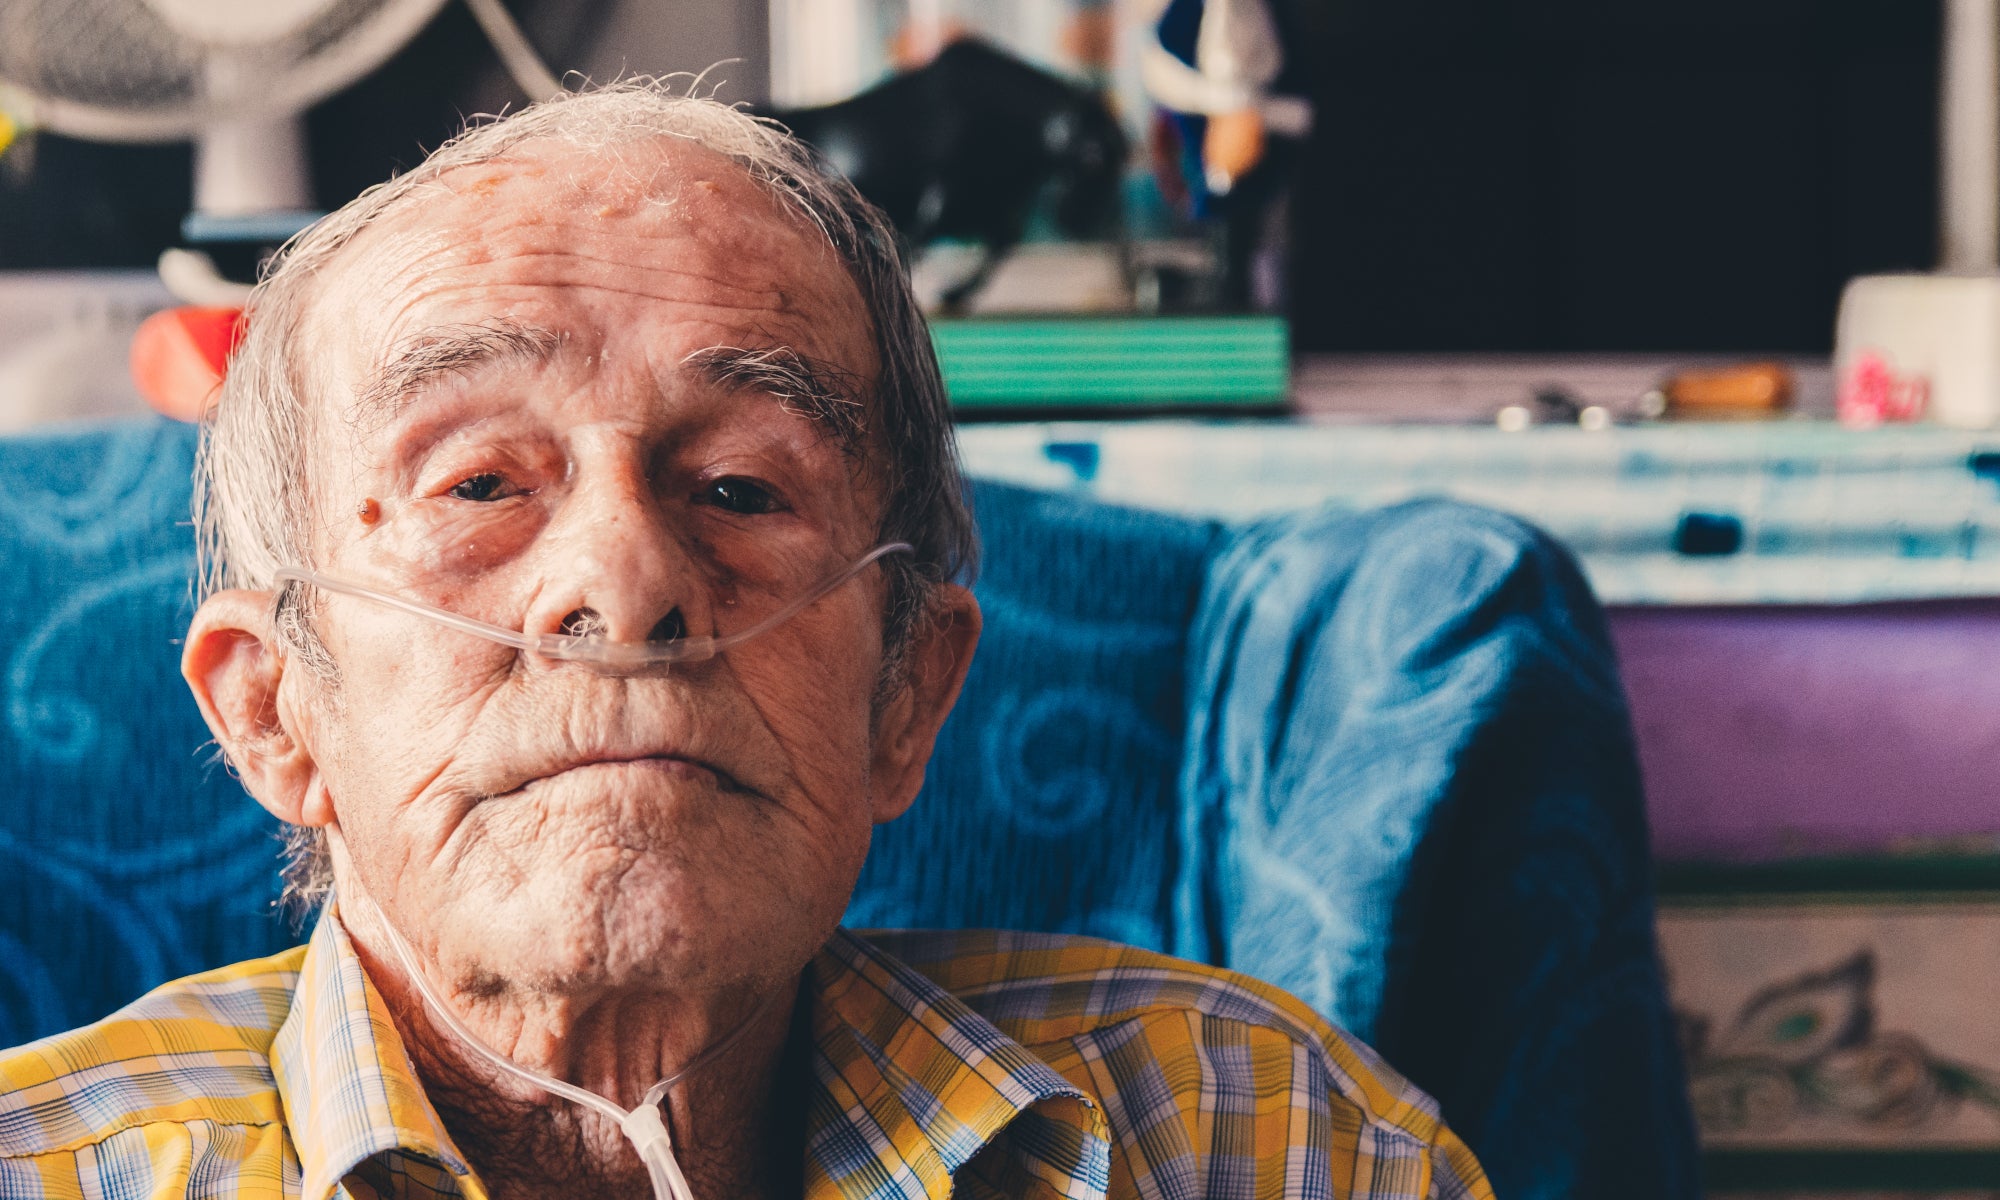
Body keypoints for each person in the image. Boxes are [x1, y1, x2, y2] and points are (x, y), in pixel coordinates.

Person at [0, 85, 1490, 1200]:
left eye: (740, 487)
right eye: (478, 485)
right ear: (272, 712)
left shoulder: (1265, 1143)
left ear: (907, 691)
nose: (626, 581)